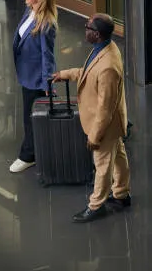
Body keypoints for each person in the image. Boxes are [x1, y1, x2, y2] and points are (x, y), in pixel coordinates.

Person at [52, 14, 131, 223]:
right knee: (119, 157)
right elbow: (88, 73)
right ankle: (122, 195)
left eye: (87, 27)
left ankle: (96, 205)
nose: (84, 29)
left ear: (96, 34)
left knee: (103, 165)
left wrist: (95, 137)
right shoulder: (105, 48)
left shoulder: (108, 67)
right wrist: (66, 73)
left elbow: (105, 109)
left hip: (105, 125)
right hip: (112, 125)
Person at [9, 0, 58, 173]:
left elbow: (48, 56)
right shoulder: (30, 11)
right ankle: (37, 150)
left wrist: (47, 83)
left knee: (31, 119)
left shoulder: (47, 24)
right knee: (30, 117)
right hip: (26, 74)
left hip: (36, 79)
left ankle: (28, 156)